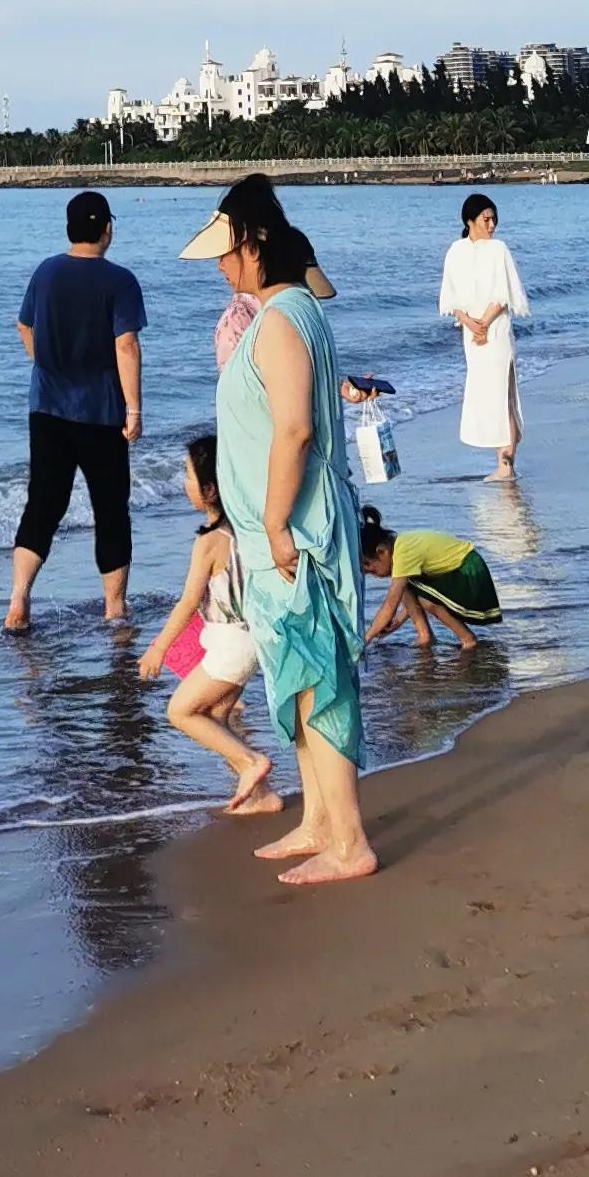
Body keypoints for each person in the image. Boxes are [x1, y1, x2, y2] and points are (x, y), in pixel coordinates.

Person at [209, 220, 372, 887]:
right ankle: (320, 823)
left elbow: (296, 428)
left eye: (228, 251)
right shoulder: (289, 311)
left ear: (254, 248)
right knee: (300, 681)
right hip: (278, 531)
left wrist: (275, 523)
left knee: (320, 680)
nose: (221, 266)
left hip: (294, 529)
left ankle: (349, 839)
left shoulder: (281, 319)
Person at [4, 190, 145, 630]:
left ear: (70, 228)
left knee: (44, 503)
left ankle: (18, 600)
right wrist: (135, 409)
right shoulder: (119, 281)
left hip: (46, 406)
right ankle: (115, 607)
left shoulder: (46, 272)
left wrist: (45, 362)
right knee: (110, 508)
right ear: (107, 229)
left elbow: (24, 325)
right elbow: (126, 344)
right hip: (100, 412)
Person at [136, 433, 276, 815]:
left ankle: (251, 764)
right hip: (249, 640)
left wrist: (158, 648)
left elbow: (187, 602)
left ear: (210, 489)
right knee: (216, 716)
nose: (184, 484)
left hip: (232, 646)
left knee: (179, 711)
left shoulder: (210, 542)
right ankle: (262, 796)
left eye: (188, 475)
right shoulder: (246, 528)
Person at [175, 172, 335, 371]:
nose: (219, 265)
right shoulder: (304, 310)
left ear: (250, 248)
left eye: (224, 253)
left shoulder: (260, 318)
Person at [439, 196, 530, 480]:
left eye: (493, 219)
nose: (491, 225)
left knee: (503, 395)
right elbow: (450, 296)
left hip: (496, 332)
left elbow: (504, 294)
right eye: (485, 219)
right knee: (487, 396)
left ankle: (506, 464)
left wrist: (485, 324)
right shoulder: (456, 251)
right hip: (471, 333)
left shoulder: (499, 249)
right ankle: (502, 462)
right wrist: (468, 322)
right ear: (470, 222)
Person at [359, 510, 502, 649]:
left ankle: (467, 639)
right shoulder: (400, 546)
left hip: (470, 575)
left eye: (372, 569)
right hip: (459, 572)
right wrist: (398, 621)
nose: (375, 575)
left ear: (382, 551)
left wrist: (365, 639)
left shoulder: (404, 553)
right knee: (406, 586)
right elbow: (406, 597)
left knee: (425, 600)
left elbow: (390, 604)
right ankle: (424, 635)